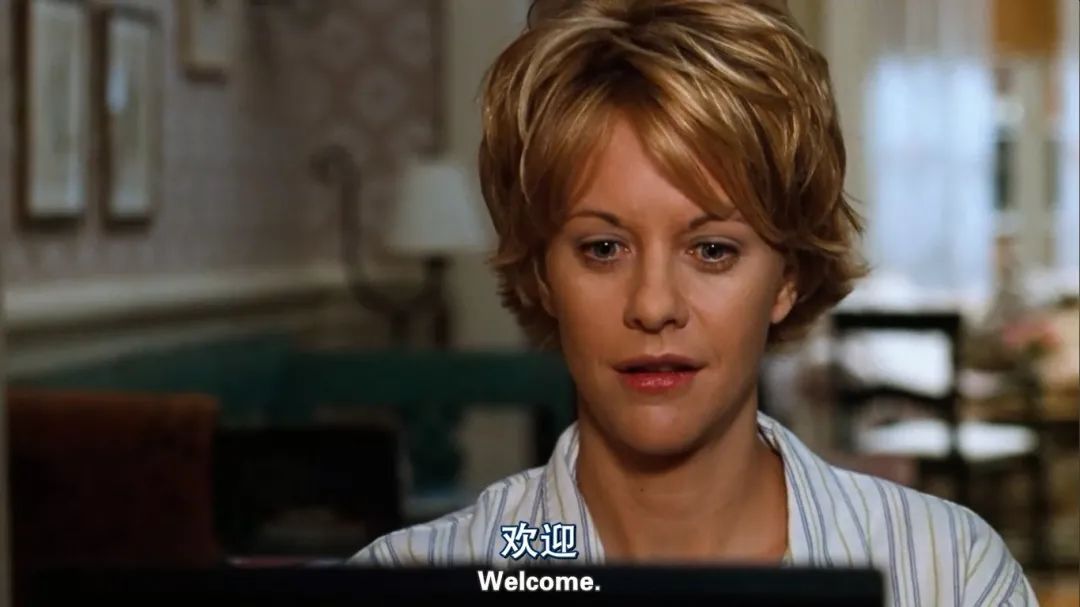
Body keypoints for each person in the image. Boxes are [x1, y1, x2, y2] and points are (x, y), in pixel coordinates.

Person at [349, 1, 1038, 604]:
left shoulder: (948, 573)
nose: (653, 305)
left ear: (788, 277)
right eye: (603, 248)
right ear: (542, 274)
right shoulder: (412, 581)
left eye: (712, 250)